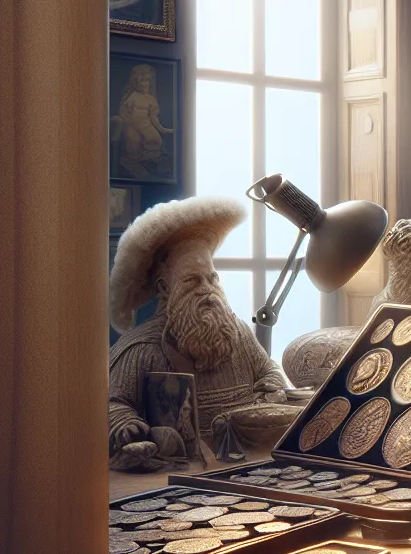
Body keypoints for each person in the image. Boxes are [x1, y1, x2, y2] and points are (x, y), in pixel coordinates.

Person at [108, 196, 292, 471]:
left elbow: (267, 370)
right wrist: (127, 424)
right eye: (192, 280)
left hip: (254, 460)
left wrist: (271, 389)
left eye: (212, 278)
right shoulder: (140, 349)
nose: (207, 289)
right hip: (183, 471)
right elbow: (112, 402)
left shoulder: (238, 332)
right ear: (164, 287)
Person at [112, 63, 172, 179]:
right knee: (134, 141)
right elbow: (123, 111)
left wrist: (161, 129)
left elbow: (153, 117)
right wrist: (127, 121)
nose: (144, 84)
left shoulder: (150, 99)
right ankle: (130, 161)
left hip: (146, 125)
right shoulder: (132, 96)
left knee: (155, 139)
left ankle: (148, 162)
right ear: (135, 82)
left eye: (147, 81)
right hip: (132, 125)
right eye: (141, 81)